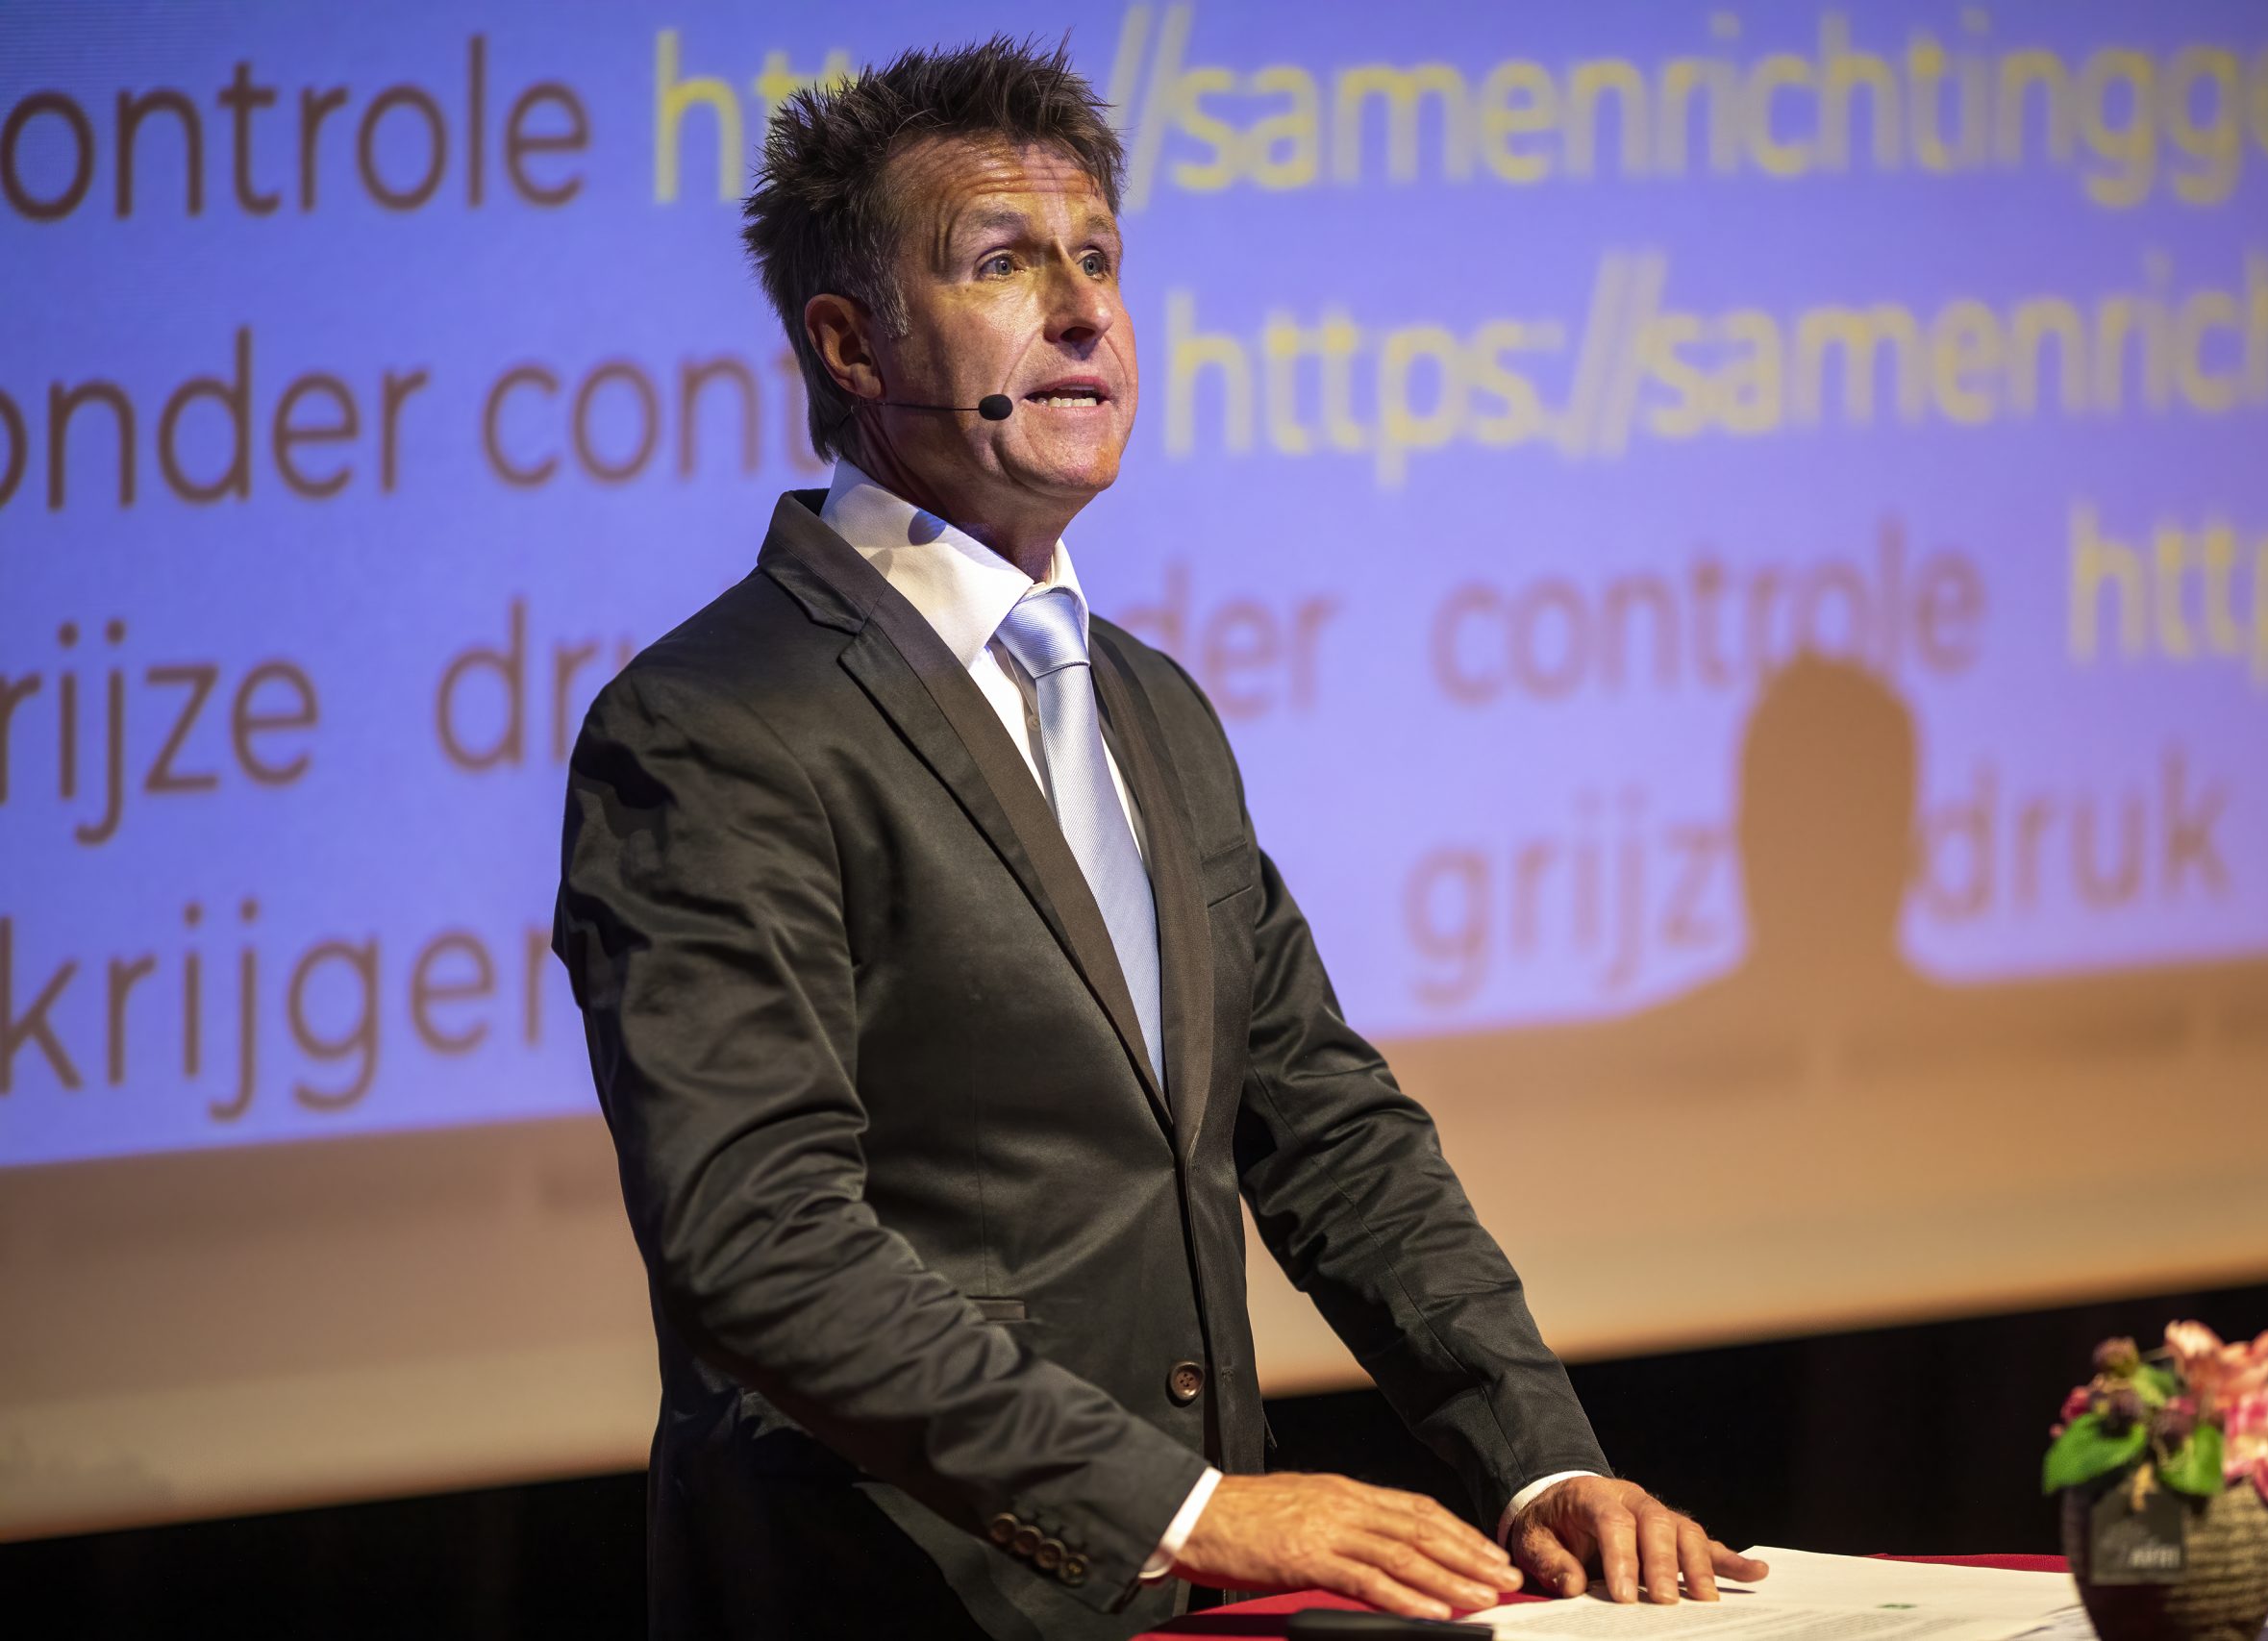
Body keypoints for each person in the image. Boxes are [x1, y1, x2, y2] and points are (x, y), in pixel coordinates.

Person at [553, 37, 1765, 1641]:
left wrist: (1538, 1462)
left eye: (1102, 259)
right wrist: (1181, 1507)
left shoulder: (1150, 703)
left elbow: (1327, 1129)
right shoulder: (712, 728)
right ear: (849, 343)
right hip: (892, 1599)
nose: (1084, 313)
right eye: (1003, 262)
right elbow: (759, 1243)